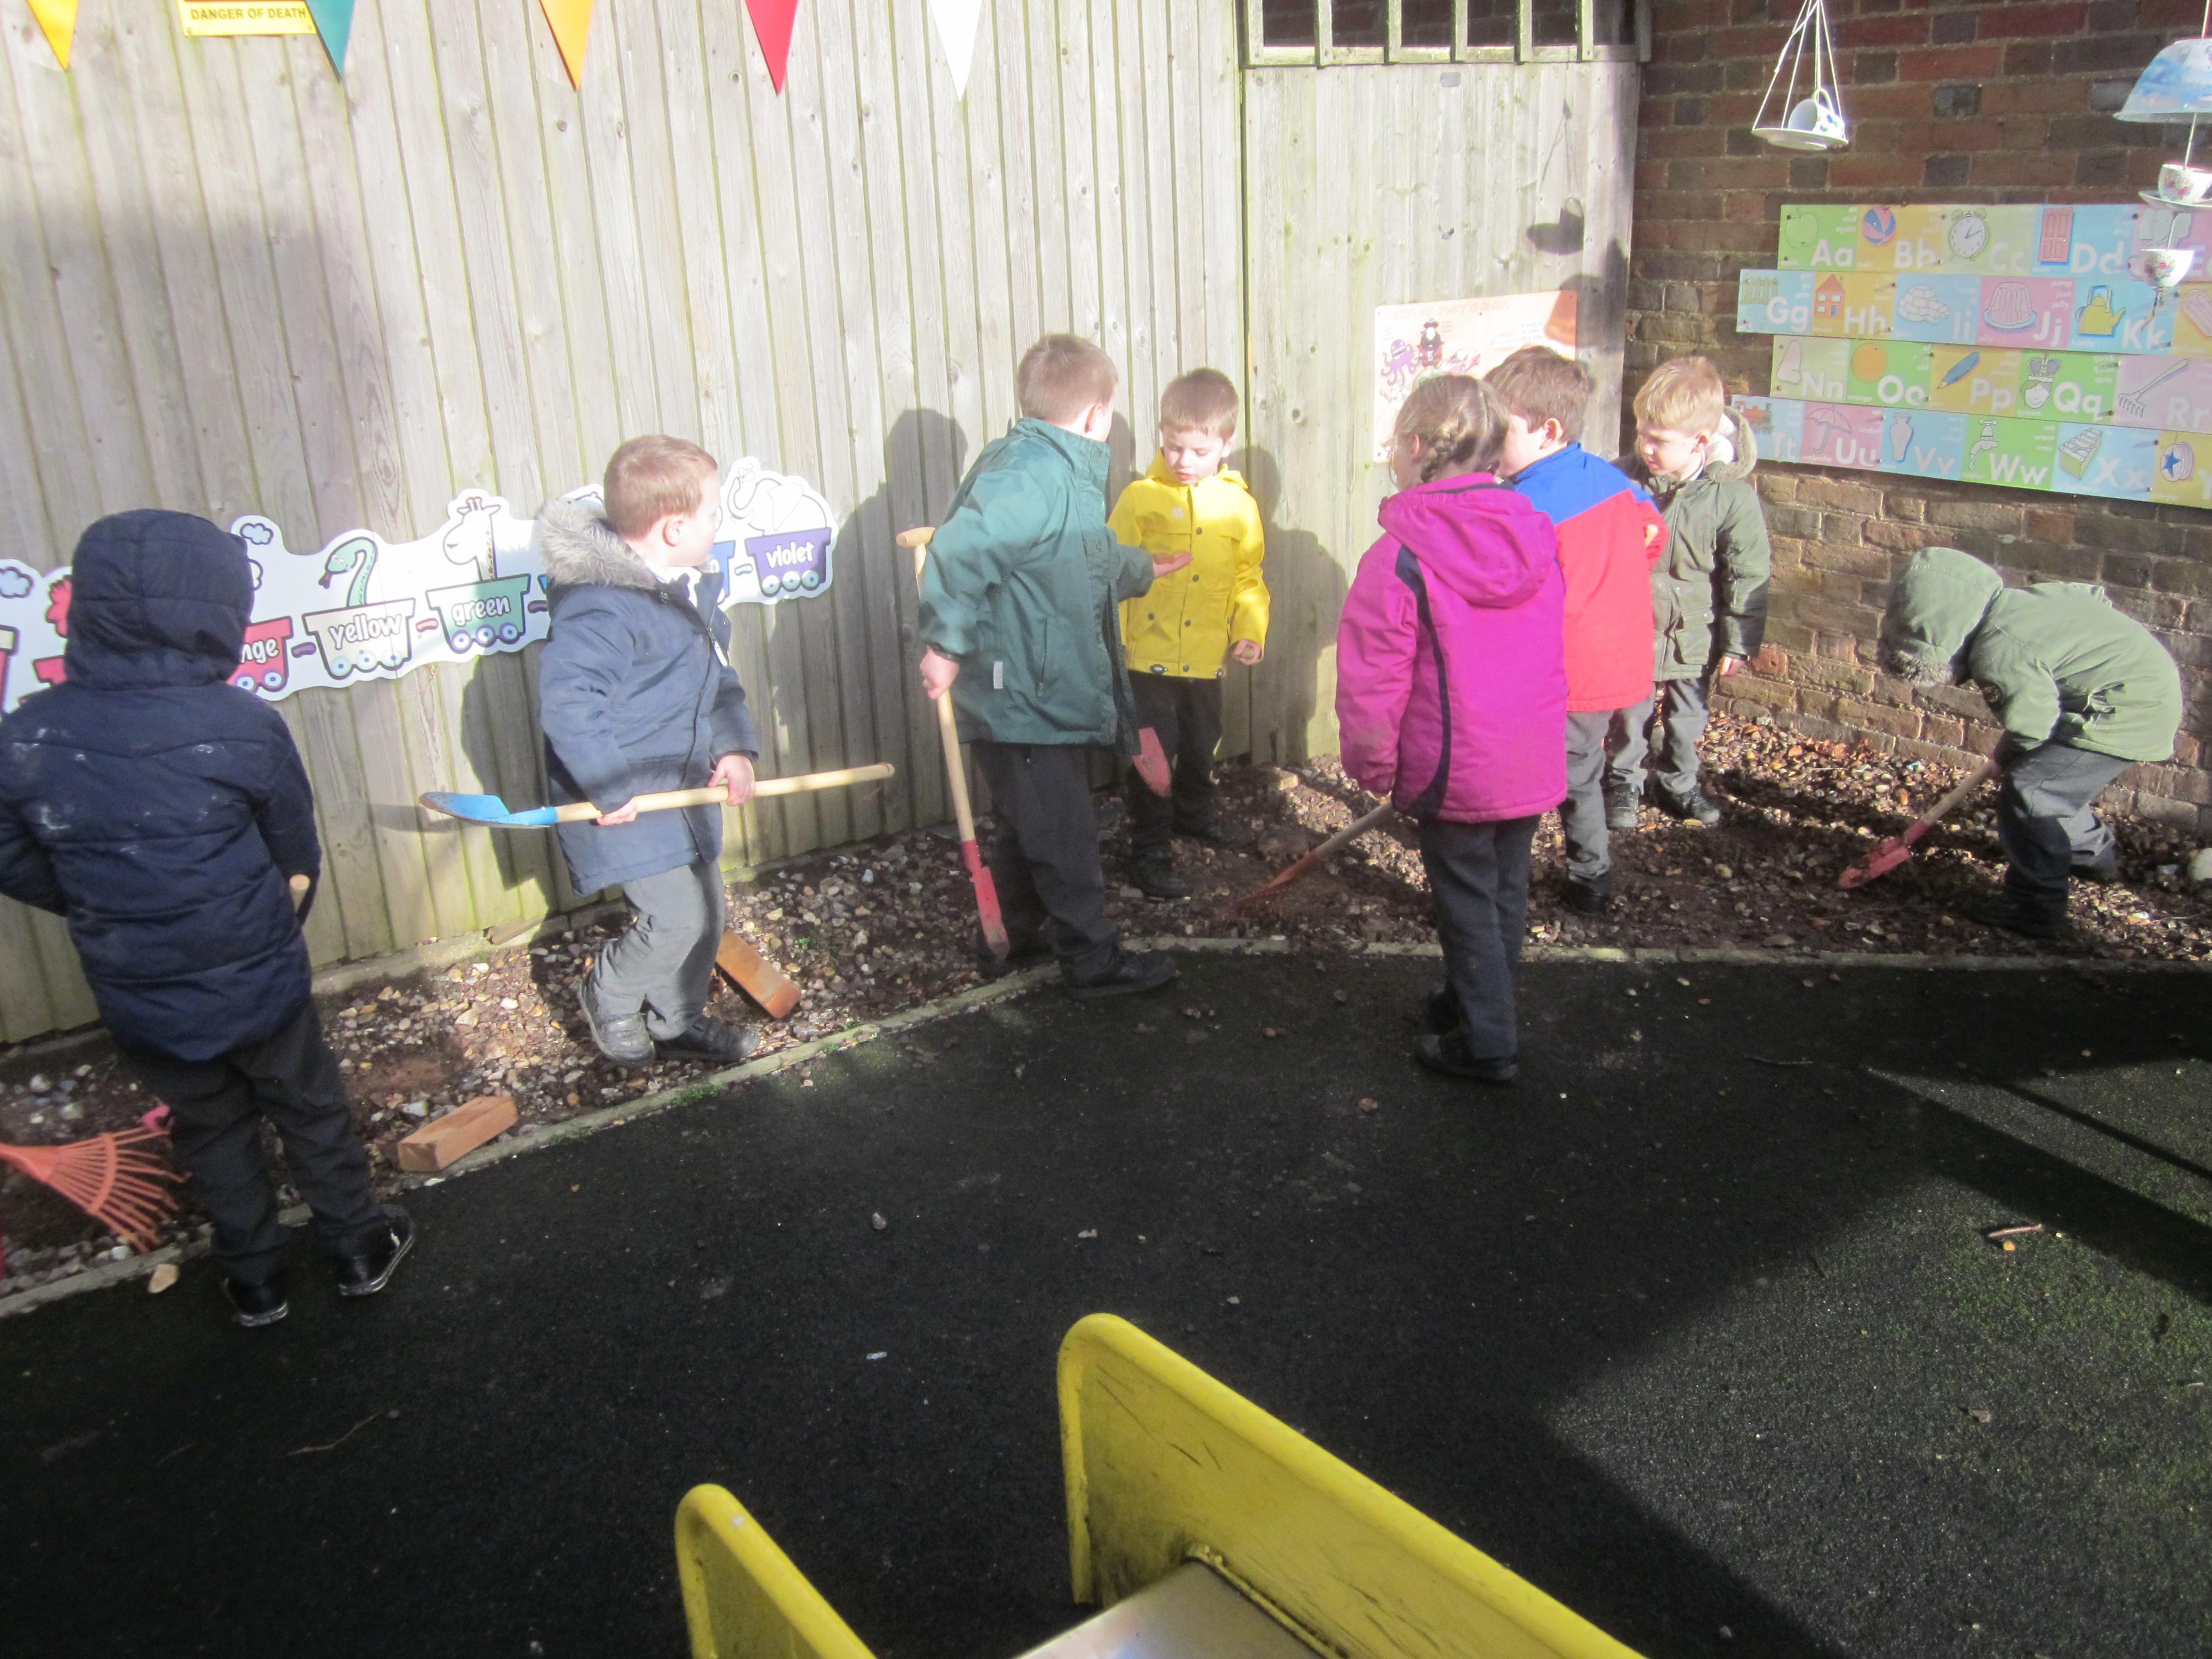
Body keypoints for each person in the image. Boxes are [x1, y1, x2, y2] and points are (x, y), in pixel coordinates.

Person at [0, 510, 410, 1329]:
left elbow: (10, 853)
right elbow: (295, 854)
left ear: (91, 607)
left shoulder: (29, 737)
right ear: (218, 611)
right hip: (257, 974)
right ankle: (358, 1246)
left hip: (139, 985)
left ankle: (255, 1280)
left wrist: (95, 896)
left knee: (208, 1125)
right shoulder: (240, 724)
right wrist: (270, 925)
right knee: (307, 1105)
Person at [916, 333, 1190, 998]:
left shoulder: (1056, 474)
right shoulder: (1030, 475)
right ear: (1096, 414)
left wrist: (1138, 567)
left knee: (1029, 824)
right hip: (1020, 694)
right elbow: (961, 552)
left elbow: (1077, 554)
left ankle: (1008, 936)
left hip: (1036, 689)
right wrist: (945, 646)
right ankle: (1091, 959)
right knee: (1064, 833)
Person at [1335, 375, 1566, 1084]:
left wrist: (1374, 764)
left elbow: (1373, 679)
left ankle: (1488, 1041)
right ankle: (1473, 1000)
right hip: (1525, 757)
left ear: (1415, 446)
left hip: (1455, 766)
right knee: (1502, 890)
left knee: (1466, 898)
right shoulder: (1535, 537)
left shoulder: (1399, 556)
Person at [537, 436, 761, 1068]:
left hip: (685, 786)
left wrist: (734, 747)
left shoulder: (684, 593)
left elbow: (718, 681)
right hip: (627, 796)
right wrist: (609, 784)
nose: (719, 524)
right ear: (673, 528)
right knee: (675, 919)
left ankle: (675, 1021)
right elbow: (569, 702)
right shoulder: (602, 607)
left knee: (707, 913)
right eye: (713, 513)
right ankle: (608, 995)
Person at [1878, 544, 2182, 938]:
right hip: (2136, 697)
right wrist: (2009, 756)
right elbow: (2091, 601)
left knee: (2031, 791)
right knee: (2054, 785)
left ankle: (2036, 909)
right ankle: (2092, 857)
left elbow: (2031, 726)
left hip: (2122, 713)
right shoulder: (2021, 604)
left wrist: (2006, 758)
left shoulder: (1999, 648)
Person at [1487, 346, 1667, 915]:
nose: (1489, 442)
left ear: (1548, 431)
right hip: (1621, 657)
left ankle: (1585, 878)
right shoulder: (1612, 478)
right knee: (1579, 762)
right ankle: (1580, 872)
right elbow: (1653, 533)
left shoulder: (1526, 505)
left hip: (1570, 670)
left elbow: (1509, 592)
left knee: (1557, 772)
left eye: (1501, 431)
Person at [1108, 367, 1270, 899]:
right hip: (1146, 660)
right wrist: (1111, 643)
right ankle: (1149, 851)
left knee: (1202, 745)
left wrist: (1249, 631)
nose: (1184, 461)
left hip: (1205, 660)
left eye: (1199, 451)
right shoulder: (1140, 498)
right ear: (1162, 433)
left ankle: (1194, 815)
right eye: (1175, 447)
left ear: (1226, 443)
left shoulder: (1239, 506)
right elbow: (1112, 568)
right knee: (1153, 756)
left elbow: (1248, 577)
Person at [1613, 354, 1771, 827]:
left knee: (1687, 718)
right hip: (1633, 625)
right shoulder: (1622, 480)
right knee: (1629, 715)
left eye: (1659, 440)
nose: (1646, 447)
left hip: (1694, 632)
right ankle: (1623, 782)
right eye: (1642, 434)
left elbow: (1747, 575)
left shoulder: (1732, 498)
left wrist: (1739, 643)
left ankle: (1678, 783)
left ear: (1700, 440)